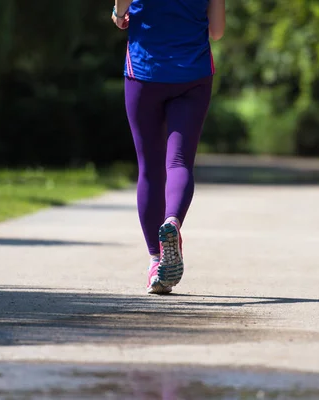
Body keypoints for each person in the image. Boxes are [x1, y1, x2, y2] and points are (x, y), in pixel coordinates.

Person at [112, 0, 225, 294]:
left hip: (144, 71)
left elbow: (122, 6)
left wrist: (118, 13)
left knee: (149, 168)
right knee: (179, 162)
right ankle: (172, 221)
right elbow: (217, 32)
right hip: (194, 73)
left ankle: (155, 259)